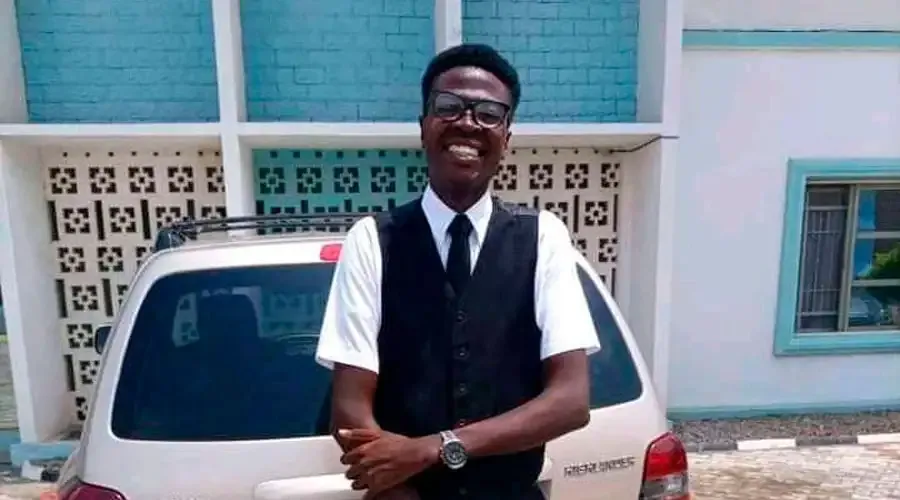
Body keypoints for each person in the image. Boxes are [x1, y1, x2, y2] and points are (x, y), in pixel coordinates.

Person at [315, 43, 600, 500]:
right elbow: (349, 411)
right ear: (423, 126)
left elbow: (570, 401)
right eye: (448, 106)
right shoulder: (372, 240)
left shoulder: (543, 236)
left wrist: (435, 447)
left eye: (489, 113)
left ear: (506, 137)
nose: (467, 122)